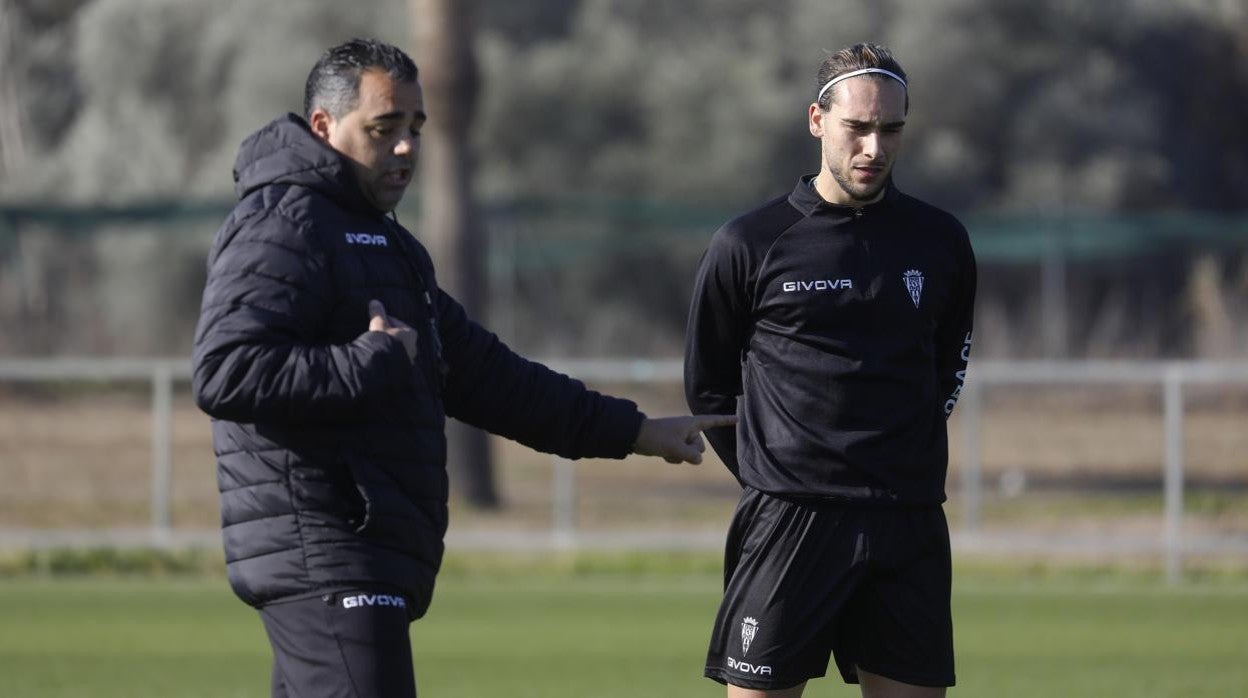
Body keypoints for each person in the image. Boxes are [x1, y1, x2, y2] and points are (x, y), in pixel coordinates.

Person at [191, 37, 734, 698]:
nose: (406, 148)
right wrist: (370, 362)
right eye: (383, 128)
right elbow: (225, 370)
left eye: (415, 128)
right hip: (328, 555)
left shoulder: (390, 246)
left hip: (360, 556)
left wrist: (634, 431)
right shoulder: (283, 222)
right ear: (324, 127)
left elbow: (491, 379)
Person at [684, 43, 977, 698]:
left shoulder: (941, 242)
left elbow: (949, 361)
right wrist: (775, 470)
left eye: (891, 129)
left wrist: (897, 449)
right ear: (818, 120)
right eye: (859, 128)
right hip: (789, 519)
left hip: (907, 520)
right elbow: (707, 383)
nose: (874, 147)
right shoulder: (750, 243)